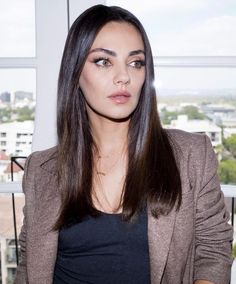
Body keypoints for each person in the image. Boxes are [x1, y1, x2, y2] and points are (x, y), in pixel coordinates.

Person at [15, 4, 233, 284]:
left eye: (135, 62)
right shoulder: (40, 170)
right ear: (75, 72)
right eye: (104, 61)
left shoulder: (191, 155)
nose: (124, 77)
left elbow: (213, 250)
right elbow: (29, 266)